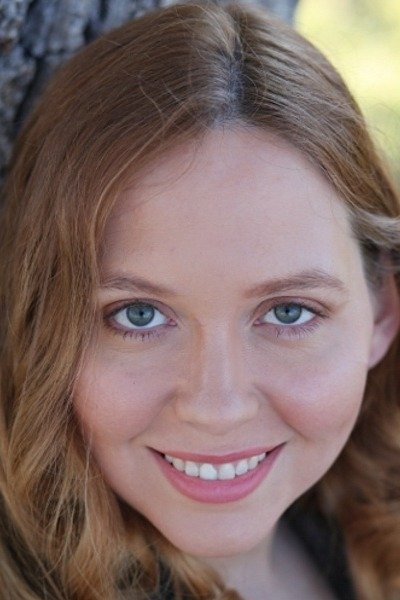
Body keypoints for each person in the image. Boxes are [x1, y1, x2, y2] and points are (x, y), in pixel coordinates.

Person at [1, 1, 399, 598]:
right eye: (139, 316)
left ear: (383, 309)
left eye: (288, 312)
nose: (218, 408)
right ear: (38, 320)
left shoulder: (358, 534)